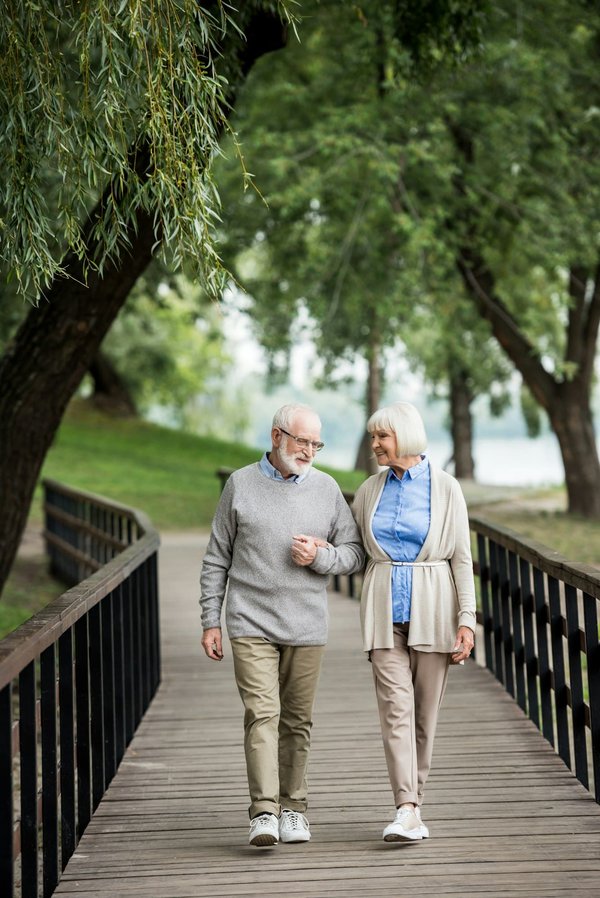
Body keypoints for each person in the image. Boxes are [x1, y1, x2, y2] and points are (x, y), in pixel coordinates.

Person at [199, 403, 364, 847]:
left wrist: (321, 557)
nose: (309, 451)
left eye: (317, 444)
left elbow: (354, 553)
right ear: (277, 437)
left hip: (307, 624)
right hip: (249, 620)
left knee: (297, 720)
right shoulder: (239, 485)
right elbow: (217, 557)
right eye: (302, 441)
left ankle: (294, 809)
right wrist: (209, 620)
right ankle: (264, 812)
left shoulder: (327, 489)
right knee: (262, 714)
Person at [351, 401, 476, 843]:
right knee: (395, 711)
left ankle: (413, 807)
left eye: (381, 437)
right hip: (383, 612)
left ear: (403, 436)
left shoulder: (446, 488)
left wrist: (468, 620)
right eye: (373, 438)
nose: (375, 446)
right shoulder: (370, 489)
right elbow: (353, 550)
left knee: (425, 715)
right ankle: (405, 807)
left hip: (435, 609)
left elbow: (461, 559)